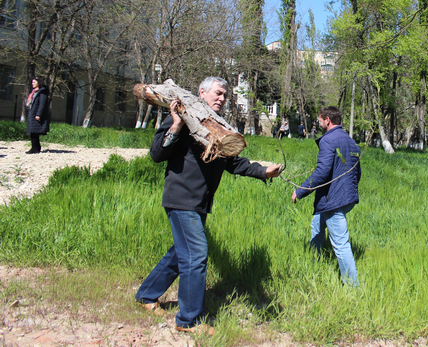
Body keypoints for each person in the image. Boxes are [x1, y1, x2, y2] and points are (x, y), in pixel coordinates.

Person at [135, 76, 281, 335]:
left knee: (181, 253)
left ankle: (147, 294)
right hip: (181, 199)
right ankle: (188, 321)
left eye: (225, 95)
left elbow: (233, 162)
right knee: (196, 254)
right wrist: (177, 125)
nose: (222, 99)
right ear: (201, 92)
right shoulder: (185, 116)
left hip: (200, 202)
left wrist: (262, 171)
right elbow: (157, 153)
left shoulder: (216, 126)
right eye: (217, 93)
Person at [292, 106, 361, 286]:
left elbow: (322, 172)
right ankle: (314, 262)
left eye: (320, 120)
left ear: (327, 120)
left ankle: (353, 287)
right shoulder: (351, 141)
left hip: (335, 199)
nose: (319, 122)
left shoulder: (328, 140)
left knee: (340, 244)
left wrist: (300, 191)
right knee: (317, 223)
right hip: (347, 197)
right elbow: (356, 173)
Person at [25, 77, 50, 154]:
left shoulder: (42, 92)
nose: (32, 84)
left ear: (39, 83)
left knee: (34, 132)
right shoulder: (34, 92)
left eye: (34, 82)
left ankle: (34, 148)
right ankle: (36, 147)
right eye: (32, 82)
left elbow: (42, 104)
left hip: (36, 114)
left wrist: (38, 114)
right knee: (33, 131)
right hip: (32, 113)